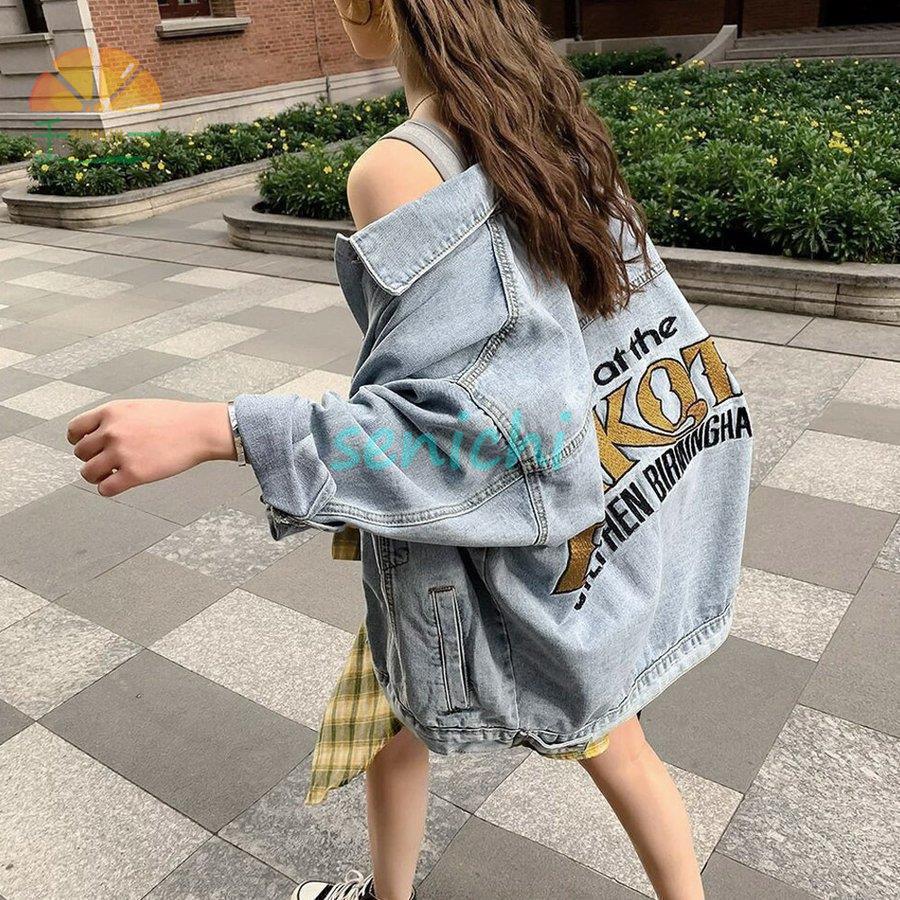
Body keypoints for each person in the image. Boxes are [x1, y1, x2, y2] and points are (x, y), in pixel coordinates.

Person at [66, 2, 753, 899]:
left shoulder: (400, 167)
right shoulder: (537, 113)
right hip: (583, 526)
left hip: (500, 552)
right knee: (419, 724)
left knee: (571, 729)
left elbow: (472, 433)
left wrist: (220, 429)